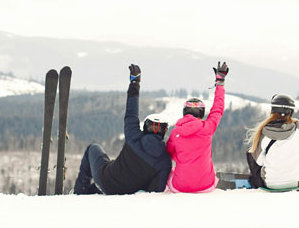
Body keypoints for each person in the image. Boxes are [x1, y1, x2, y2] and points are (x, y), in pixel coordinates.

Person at [72, 64, 172, 195]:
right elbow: (155, 189)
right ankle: (91, 190)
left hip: (105, 179)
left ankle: (80, 191)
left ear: (145, 127)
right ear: (164, 132)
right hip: (126, 191)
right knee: (111, 165)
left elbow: (131, 112)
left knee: (93, 148)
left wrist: (135, 83)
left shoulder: (134, 136)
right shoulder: (164, 160)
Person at [245, 64, 299, 190]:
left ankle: (256, 180)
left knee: (251, 152)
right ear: (291, 112)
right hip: (297, 182)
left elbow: (259, 162)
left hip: (269, 183)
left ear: (272, 110)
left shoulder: (264, 133)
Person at [165, 61, 229, 193]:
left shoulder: (175, 132)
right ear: (201, 112)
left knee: (170, 173)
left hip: (180, 187)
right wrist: (220, 82)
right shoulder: (208, 127)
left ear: (185, 112)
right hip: (206, 186)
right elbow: (218, 108)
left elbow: (168, 155)